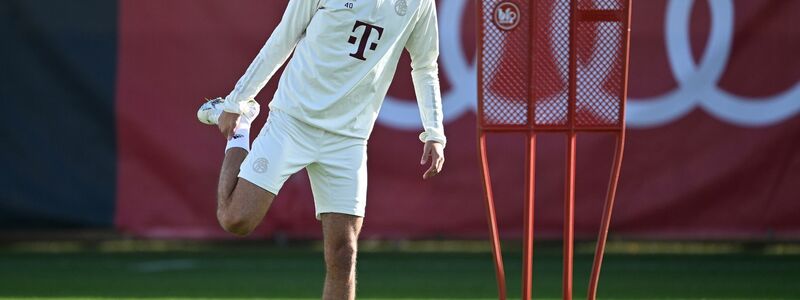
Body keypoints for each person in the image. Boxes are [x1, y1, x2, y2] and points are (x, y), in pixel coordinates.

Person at [196, 0, 445, 299]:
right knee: (236, 219)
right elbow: (283, 38)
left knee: (344, 252)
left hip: (349, 139)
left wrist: (434, 131)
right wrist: (238, 102)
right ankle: (241, 131)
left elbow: (425, 64)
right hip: (293, 121)